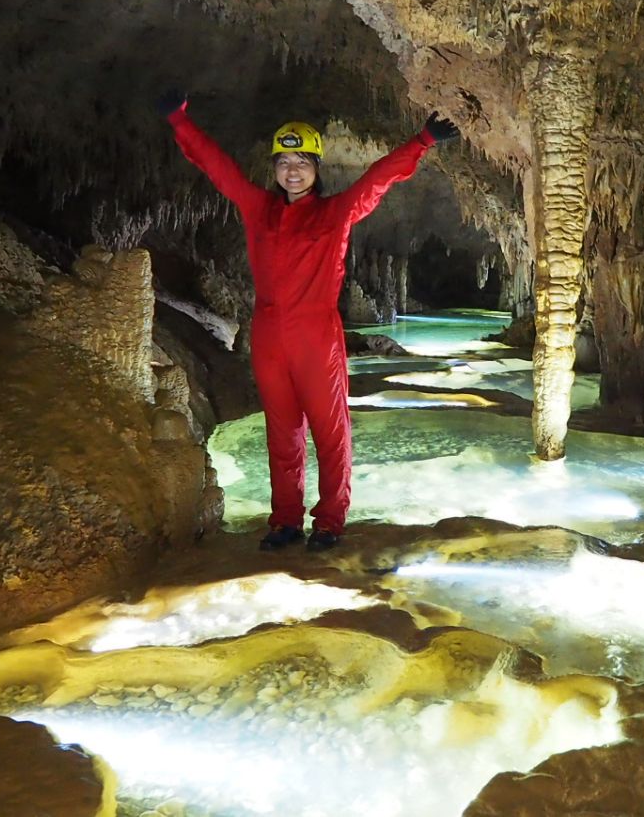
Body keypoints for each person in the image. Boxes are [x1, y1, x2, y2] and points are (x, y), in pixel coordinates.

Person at [157, 89, 459, 551]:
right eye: (284, 162)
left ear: (317, 168)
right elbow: (218, 168)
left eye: (301, 161)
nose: (292, 170)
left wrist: (421, 141)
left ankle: (330, 520)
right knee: (282, 432)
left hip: (317, 336)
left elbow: (377, 180)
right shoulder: (259, 208)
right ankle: (285, 520)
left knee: (329, 431)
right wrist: (180, 122)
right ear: (275, 169)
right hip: (269, 335)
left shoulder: (335, 213)